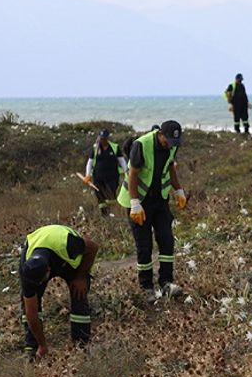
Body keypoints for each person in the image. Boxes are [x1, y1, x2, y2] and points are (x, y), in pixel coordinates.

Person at [117, 120, 187, 302]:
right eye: (167, 141)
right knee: (144, 245)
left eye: (173, 142)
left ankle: (166, 282)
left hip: (160, 200)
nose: (169, 145)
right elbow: (133, 174)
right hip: (139, 202)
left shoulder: (172, 146)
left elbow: (171, 167)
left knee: (166, 239)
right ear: (160, 134)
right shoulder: (141, 145)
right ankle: (146, 286)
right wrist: (134, 203)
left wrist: (178, 190)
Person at [19, 224, 98, 359]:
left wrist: (80, 276)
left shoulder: (69, 244)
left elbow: (93, 247)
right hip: (46, 248)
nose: (39, 284)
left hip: (67, 258)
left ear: (49, 270)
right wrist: (42, 345)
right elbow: (31, 312)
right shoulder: (26, 270)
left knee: (79, 293)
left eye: (41, 281)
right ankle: (32, 348)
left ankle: (81, 345)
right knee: (29, 303)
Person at [83, 128, 128, 216]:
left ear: (107, 138)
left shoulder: (114, 147)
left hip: (112, 177)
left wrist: (126, 172)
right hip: (98, 177)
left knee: (111, 196)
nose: (102, 140)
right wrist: (87, 175)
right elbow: (90, 162)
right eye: (101, 138)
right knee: (100, 197)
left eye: (104, 138)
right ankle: (104, 215)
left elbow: (122, 161)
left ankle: (113, 212)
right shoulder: (95, 148)